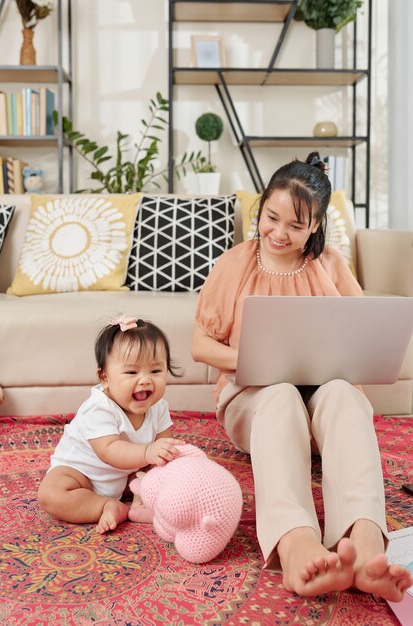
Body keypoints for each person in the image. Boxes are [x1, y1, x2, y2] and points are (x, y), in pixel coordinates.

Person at [191, 152, 413, 601]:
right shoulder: (235, 263)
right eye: (271, 217)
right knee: (278, 396)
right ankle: (296, 545)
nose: (279, 233)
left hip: (320, 404)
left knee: (343, 396)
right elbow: (200, 345)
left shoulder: (329, 264)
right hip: (256, 400)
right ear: (261, 208)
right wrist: (254, 358)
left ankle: (366, 544)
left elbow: (359, 332)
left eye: (296, 225)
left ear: (315, 225)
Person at [38, 315, 183, 534]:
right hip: (82, 475)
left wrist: (169, 460)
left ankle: (140, 500)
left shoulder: (158, 407)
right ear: (104, 377)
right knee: (51, 493)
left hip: (124, 476)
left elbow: (164, 446)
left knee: (162, 472)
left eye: (155, 371)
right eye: (132, 372)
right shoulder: (98, 408)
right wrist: (147, 452)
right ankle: (105, 506)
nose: (145, 380)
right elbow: (109, 451)